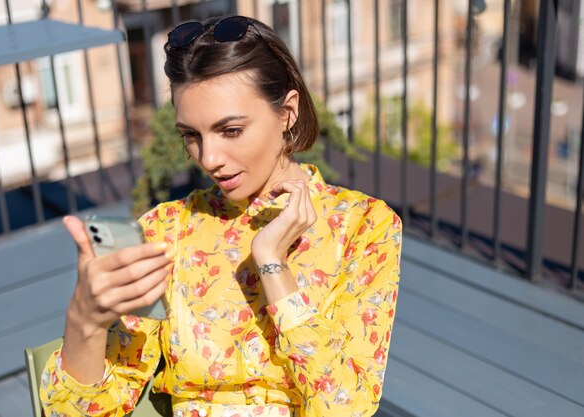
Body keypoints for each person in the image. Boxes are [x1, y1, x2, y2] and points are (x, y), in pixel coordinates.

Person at [40, 15, 401, 417]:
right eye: (191, 136)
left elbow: (347, 407)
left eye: (230, 130)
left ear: (287, 113)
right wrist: (83, 319)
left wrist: (271, 263)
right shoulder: (165, 231)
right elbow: (89, 411)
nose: (208, 159)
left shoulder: (364, 227)